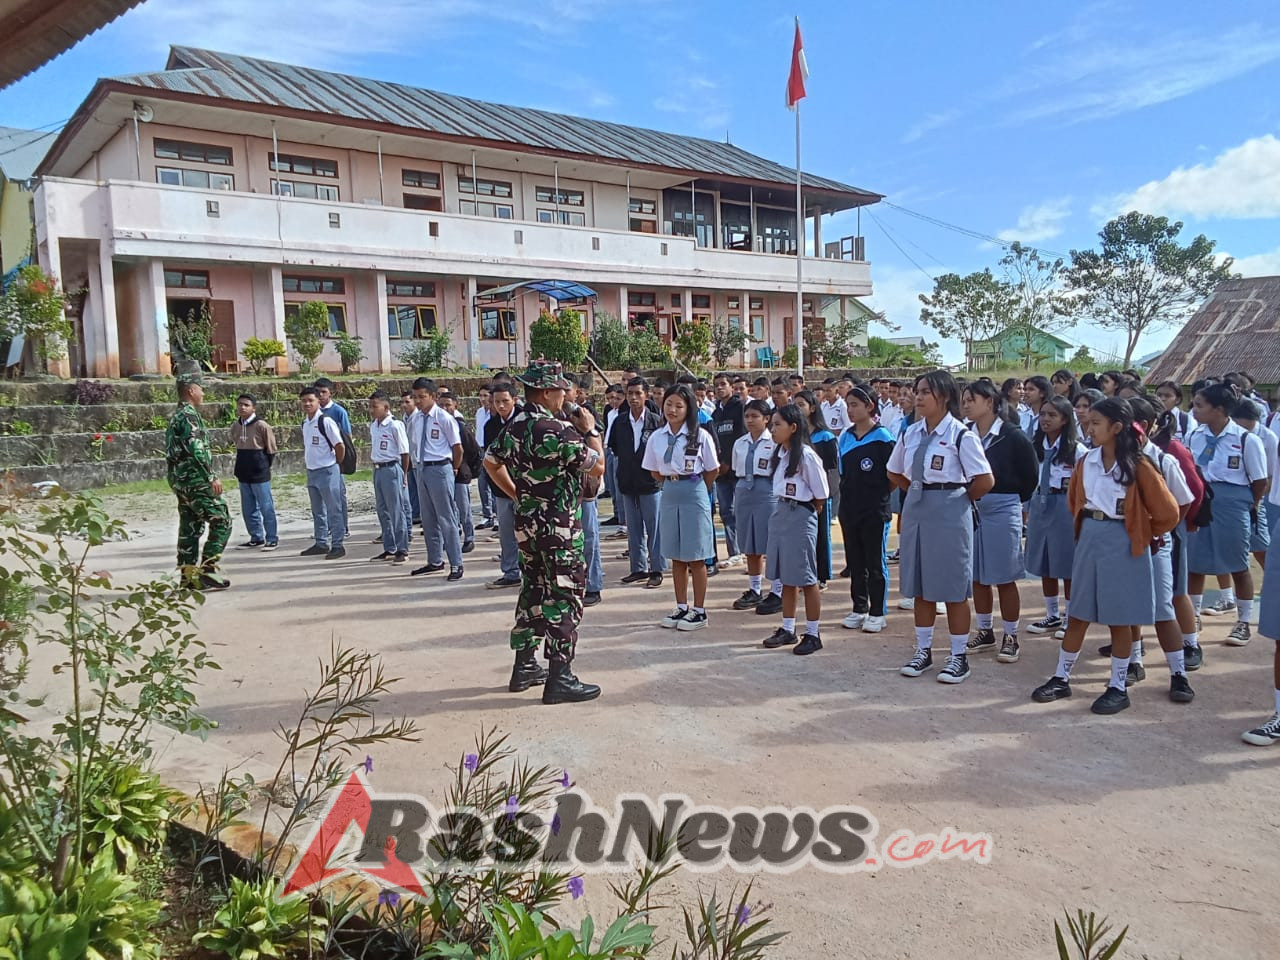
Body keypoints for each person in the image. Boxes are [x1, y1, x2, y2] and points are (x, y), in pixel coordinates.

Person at [1031, 398, 1180, 714]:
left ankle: (1117, 685)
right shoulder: (1087, 461)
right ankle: (1061, 677)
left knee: (1120, 618)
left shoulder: (1139, 466)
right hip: (1090, 537)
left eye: (1097, 422)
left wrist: (1142, 530)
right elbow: (1075, 501)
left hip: (1124, 541)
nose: (1089, 426)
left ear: (1117, 427)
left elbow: (1168, 513)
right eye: (1089, 421)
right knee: (1079, 613)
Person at [484, 359, 605, 704]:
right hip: (559, 527)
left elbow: (491, 462)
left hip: (528, 525)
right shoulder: (556, 430)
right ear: (548, 392)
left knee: (533, 591)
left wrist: (518, 494)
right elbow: (598, 466)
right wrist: (592, 431)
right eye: (562, 389)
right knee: (564, 595)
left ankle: (524, 666)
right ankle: (560, 676)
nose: (565, 394)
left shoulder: (516, 425)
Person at [889, 371, 995, 684]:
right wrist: (918, 492)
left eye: (926, 392)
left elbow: (984, 480)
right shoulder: (911, 433)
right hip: (918, 510)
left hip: (951, 511)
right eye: (917, 391)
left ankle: (958, 656)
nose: (918, 397)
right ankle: (923, 650)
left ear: (945, 397)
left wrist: (955, 500)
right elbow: (894, 472)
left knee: (952, 587)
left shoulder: (961, 435)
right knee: (920, 585)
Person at [1186, 382, 1268, 645]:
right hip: (1201, 501)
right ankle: (1193, 616)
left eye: (1200, 405)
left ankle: (1243, 621)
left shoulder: (1246, 439)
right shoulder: (1194, 436)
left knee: (1238, 563)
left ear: (1219, 409)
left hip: (1233, 504)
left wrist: (1247, 505)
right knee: (1195, 563)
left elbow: (1259, 481)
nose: (1194, 410)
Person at [962, 380, 1039, 663]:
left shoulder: (1012, 435)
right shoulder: (965, 433)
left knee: (1004, 576)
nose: (966, 404)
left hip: (1003, 506)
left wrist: (1013, 500)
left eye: (972, 399)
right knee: (978, 575)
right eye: (964, 400)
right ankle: (985, 630)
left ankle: (1010, 634)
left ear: (990, 402)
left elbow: (1030, 476)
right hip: (971, 507)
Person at [643, 384, 720, 631]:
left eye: (679, 405)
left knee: (695, 555)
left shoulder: (700, 436)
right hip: (669, 491)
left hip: (694, 488)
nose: (672, 410)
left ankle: (699, 610)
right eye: (668, 404)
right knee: (675, 554)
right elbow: (655, 470)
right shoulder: (657, 437)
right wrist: (672, 483)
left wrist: (696, 489)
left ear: (689, 408)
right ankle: (681, 606)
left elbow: (712, 469)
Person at [760, 404, 830, 655]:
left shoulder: (807, 456)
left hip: (800, 514)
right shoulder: (781, 454)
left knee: (806, 577)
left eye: (778, 424)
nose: (773, 428)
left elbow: (821, 494)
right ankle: (788, 628)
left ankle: (813, 633)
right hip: (781, 513)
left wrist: (805, 511)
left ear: (793, 427)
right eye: (773, 424)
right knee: (785, 576)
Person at [837, 384, 896, 633]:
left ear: (870, 406)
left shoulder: (884, 438)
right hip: (850, 509)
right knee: (855, 561)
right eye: (848, 405)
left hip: (875, 510)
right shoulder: (845, 437)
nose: (850, 410)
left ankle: (877, 611)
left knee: (875, 562)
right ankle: (858, 607)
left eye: (855, 405)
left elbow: (893, 476)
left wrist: (877, 496)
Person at [1024, 396, 1084, 638]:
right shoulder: (1036, 447)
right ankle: (1052, 614)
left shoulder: (1077, 451)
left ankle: (1071, 616)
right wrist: (1027, 508)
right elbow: (1030, 478)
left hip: (1064, 505)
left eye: (1052, 415)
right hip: (1040, 503)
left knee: (1066, 562)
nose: (1046, 419)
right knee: (1045, 561)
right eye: (1043, 414)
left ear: (1065, 419)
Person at [165, 372, 232, 589]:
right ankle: (208, 570)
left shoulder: (178, 415)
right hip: (195, 479)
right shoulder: (188, 416)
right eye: (200, 389)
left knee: (190, 527)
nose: (203, 393)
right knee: (222, 520)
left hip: (180, 480)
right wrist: (210, 475)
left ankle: (187, 577)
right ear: (191, 390)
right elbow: (196, 448)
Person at [609, 377, 666, 589]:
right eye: (629, 393)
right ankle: (638, 568)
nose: (633, 398)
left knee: (654, 527)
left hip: (650, 483)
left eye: (637, 394)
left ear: (646, 396)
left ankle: (657, 568)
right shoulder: (620, 421)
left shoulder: (656, 421)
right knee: (633, 528)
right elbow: (614, 447)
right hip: (627, 481)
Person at [407, 377, 465, 581]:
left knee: (446, 518)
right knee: (428, 519)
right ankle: (435, 560)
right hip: (422, 468)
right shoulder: (416, 419)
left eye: (422, 397)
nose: (418, 401)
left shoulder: (443, 418)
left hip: (440, 468)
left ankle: (456, 563)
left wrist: (454, 468)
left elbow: (457, 448)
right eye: (415, 397)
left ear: (433, 396)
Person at [730, 399, 778, 611]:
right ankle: (755, 589)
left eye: (755, 416)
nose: (750, 420)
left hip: (766, 490)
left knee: (770, 541)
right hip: (743, 489)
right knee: (749, 542)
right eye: (747, 416)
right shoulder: (740, 442)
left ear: (766, 419)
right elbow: (735, 467)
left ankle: (777, 589)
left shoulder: (774, 442)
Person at [299, 386, 347, 560]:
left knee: (334, 509)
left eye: (311, 400)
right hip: (312, 471)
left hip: (327, 470)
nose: (307, 404)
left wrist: (336, 463)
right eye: (304, 401)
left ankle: (338, 544)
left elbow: (339, 445)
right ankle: (321, 542)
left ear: (319, 401)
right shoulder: (305, 423)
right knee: (317, 509)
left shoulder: (325, 421)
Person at [794, 390, 837, 586]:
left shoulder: (825, 437)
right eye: (795, 404)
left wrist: (824, 495)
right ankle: (804, 573)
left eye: (801, 404)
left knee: (821, 535)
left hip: (819, 494)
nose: (797, 408)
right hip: (800, 495)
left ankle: (822, 575)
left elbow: (831, 469)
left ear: (812, 408)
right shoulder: (795, 436)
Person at [484, 383, 523, 590]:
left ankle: (534, 572)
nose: (500, 406)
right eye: (496, 402)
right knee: (507, 533)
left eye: (505, 401)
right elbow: (490, 459)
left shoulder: (525, 421)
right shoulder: (490, 426)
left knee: (529, 533)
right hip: (502, 489)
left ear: (515, 400)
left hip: (526, 487)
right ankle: (510, 571)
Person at [367, 390, 410, 563]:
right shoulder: (374, 425)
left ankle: (402, 548)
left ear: (386, 407)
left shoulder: (395, 425)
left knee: (396, 510)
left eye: (374, 406)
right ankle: (389, 547)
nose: (371, 410)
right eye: (370, 406)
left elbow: (404, 452)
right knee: (382, 510)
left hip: (392, 468)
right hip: (378, 469)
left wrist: (404, 474)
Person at [232, 392, 278, 551]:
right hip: (243, 471)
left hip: (260, 472)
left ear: (254, 408)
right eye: (240, 404)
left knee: (266, 506)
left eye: (246, 405)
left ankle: (272, 538)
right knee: (248, 508)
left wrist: (263, 466)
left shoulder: (262, 426)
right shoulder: (236, 425)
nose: (242, 407)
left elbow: (271, 449)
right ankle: (256, 537)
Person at [438, 389, 480, 555]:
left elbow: (474, 450)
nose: (444, 408)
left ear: (455, 406)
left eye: (448, 405)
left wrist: (468, 470)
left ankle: (469, 537)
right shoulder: (437, 424)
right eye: (441, 405)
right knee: (448, 509)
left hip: (460, 474)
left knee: (464, 508)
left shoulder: (461, 427)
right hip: (444, 472)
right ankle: (451, 538)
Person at [710, 373, 746, 568]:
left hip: (736, 469)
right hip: (721, 471)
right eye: (716, 385)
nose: (719, 388)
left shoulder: (739, 408)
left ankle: (746, 550)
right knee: (726, 511)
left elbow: (741, 438)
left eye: (723, 384)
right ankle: (734, 551)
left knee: (740, 510)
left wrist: (730, 462)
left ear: (732, 387)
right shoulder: (715, 414)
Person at [314, 377, 352, 537]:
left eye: (324, 392)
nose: (321, 395)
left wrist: (341, 460)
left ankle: (343, 528)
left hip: (335, 460)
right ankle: (328, 528)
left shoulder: (338, 411)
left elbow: (347, 436)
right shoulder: (314, 413)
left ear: (331, 393)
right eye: (318, 392)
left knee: (337, 495)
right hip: (319, 461)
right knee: (321, 497)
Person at [474, 384, 495, 531]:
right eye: (480, 395)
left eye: (485, 395)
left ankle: (497, 515)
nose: (482, 399)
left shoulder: (495, 414)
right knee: (482, 484)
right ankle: (487, 515)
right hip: (480, 449)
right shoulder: (479, 412)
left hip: (492, 449)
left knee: (495, 483)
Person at [400, 391, 421, 529]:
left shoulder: (419, 417)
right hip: (409, 457)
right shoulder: (404, 418)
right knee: (411, 488)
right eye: (402, 402)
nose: (404, 405)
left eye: (407, 402)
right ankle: (416, 514)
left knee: (420, 489)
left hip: (418, 457)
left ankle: (422, 515)